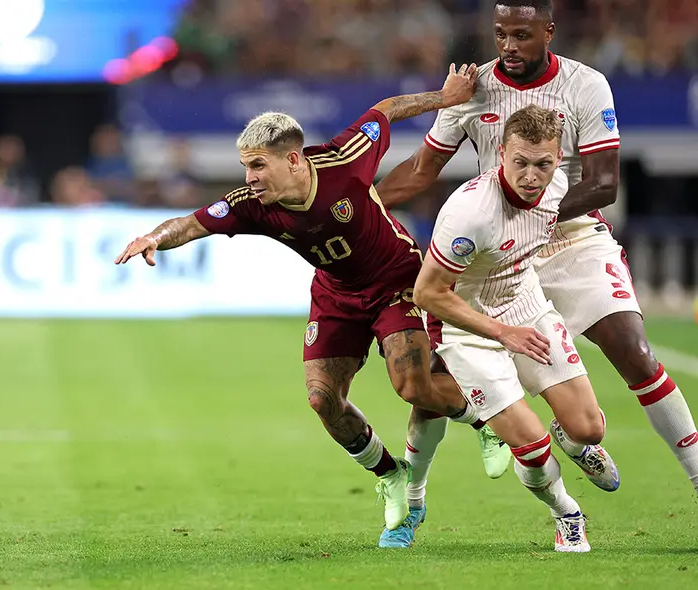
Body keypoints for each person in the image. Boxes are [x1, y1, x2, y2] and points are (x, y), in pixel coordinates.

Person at [115, 64, 511, 535]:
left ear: (294, 160)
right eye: (246, 165)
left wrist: (444, 99)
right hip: (335, 293)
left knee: (411, 386)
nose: (250, 176)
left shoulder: (344, 161)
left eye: (258, 164)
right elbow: (192, 223)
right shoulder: (251, 204)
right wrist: (154, 237)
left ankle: (482, 419)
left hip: (395, 281)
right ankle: (389, 474)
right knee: (322, 400)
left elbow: (383, 111)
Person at [376, 0, 698, 511]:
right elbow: (419, 171)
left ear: (548, 31)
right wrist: (359, 209)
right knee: (433, 377)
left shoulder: (585, 85)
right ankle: (410, 499)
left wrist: (535, 218)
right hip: (495, 256)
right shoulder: (473, 87)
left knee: (635, 353)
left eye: (522, 36)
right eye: (501, 34)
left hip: (571, 236)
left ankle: (690, 473)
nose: (509, 47)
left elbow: (604, 183)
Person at [413, 105, 612, 552]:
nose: (530, 175)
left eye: (542, 164)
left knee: (590, 429)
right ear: (501, 152)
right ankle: (567, 513)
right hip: (464, 328)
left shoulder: (557, 188)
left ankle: (572, 437)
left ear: (558, 159)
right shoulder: (470, 213)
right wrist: (502, 334)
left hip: (525, 305)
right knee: (534, 450)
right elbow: (426, 294)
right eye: (519, 161)